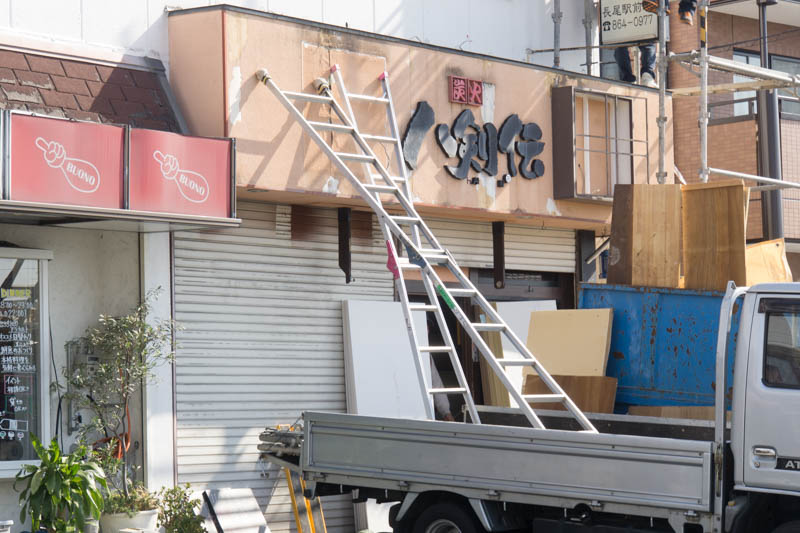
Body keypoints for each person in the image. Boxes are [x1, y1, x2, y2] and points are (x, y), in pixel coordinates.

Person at [615, 1, 699, 88]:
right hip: (629, 11)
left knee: (620, 42)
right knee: (645, 41)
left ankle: (628, 78)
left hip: (622, 11)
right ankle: (685, 10)